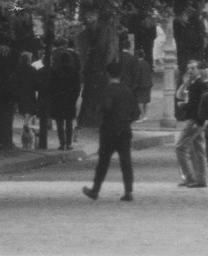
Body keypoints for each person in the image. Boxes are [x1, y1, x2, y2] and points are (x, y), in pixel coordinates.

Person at [82, 62, 139, 202]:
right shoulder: (128, 90)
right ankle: (128, 191)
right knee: (126, 161)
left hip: (109, 129)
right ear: (121, 74)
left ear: (108, 74)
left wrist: (101, 112)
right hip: (125, 129)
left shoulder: (108, 90)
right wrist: (127, 120)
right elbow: (136, 112)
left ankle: (95, 189)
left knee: (103, 161)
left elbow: (106, 107)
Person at [172, 61, 208, 188]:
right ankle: (200, 179)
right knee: (197, 149)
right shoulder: (194, 84)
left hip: (195, 120)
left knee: (180, 146)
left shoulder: (198, 85)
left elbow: (196, 104)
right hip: (197, 120)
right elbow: (179, 95)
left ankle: (190, 178)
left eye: (193, 68)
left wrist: (183, 106)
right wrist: (185, 84)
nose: (190, 71)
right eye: (188, 68)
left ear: (199, 70)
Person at [48, 50, 81, 151]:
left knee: (59, 123)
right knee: (69, 122)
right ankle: (69, 143)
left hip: (58, 99)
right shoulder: (74, 72)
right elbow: (77, 87)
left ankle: (62, 143)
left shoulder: (56, 71)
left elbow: (52, 86)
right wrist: (74, 98)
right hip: (70, 99)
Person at [134, 49, 153, 121]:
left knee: (139, 101)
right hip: (148, 84)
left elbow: (137, 75)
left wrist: (135, 83)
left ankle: (142, 115)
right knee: (145, 101)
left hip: (141, 85)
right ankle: (145, 115)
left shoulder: (137, 64)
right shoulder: (147, 63)